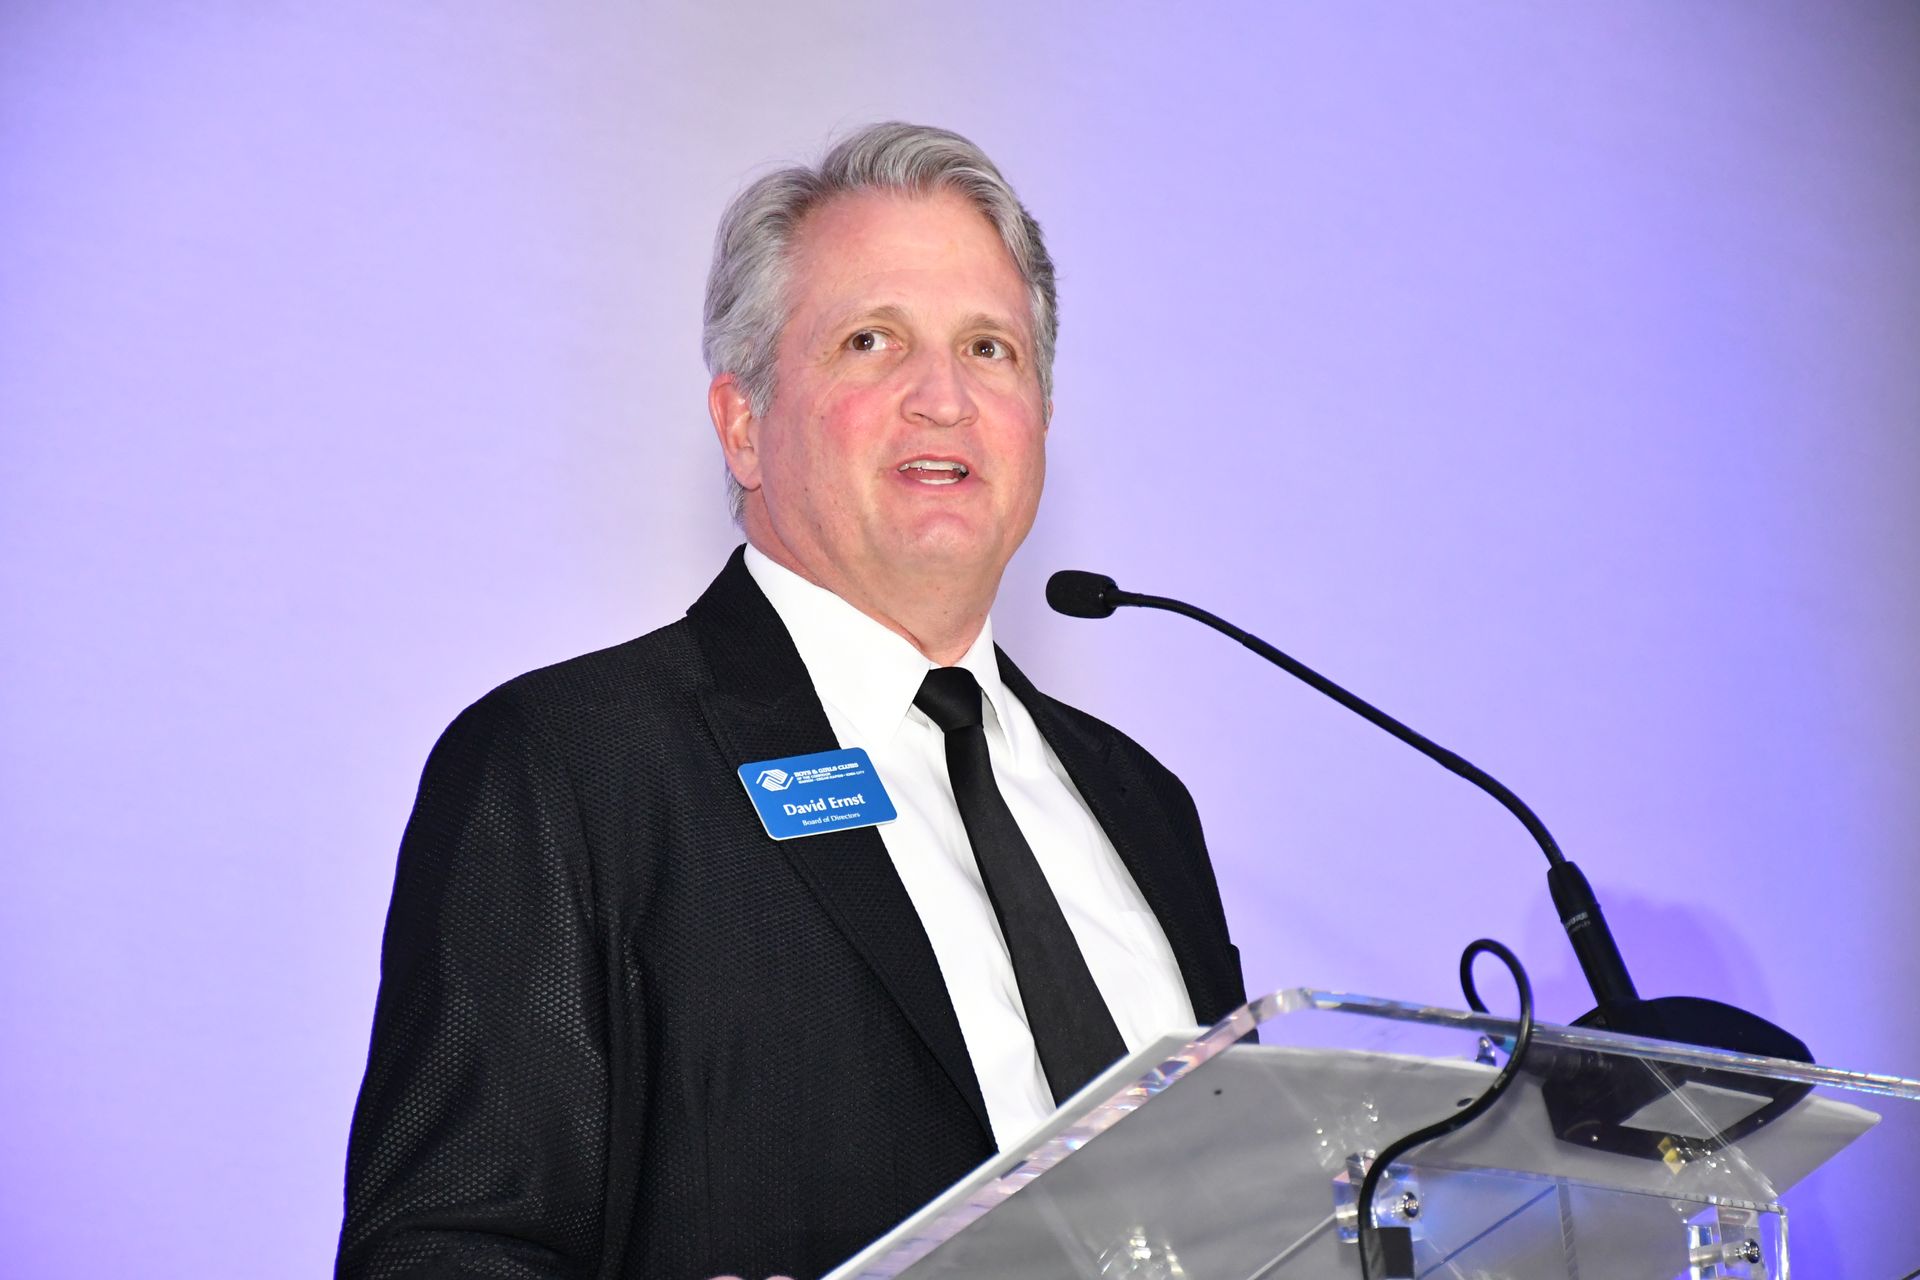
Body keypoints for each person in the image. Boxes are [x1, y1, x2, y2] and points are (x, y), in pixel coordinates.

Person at [336, 122, 1245, 1280]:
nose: (945, 398)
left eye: (990, 348)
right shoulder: (572, 769)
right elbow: (442, 1252)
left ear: (1043, 422)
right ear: (744, 425)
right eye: (872, 340)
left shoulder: (1142, 803)